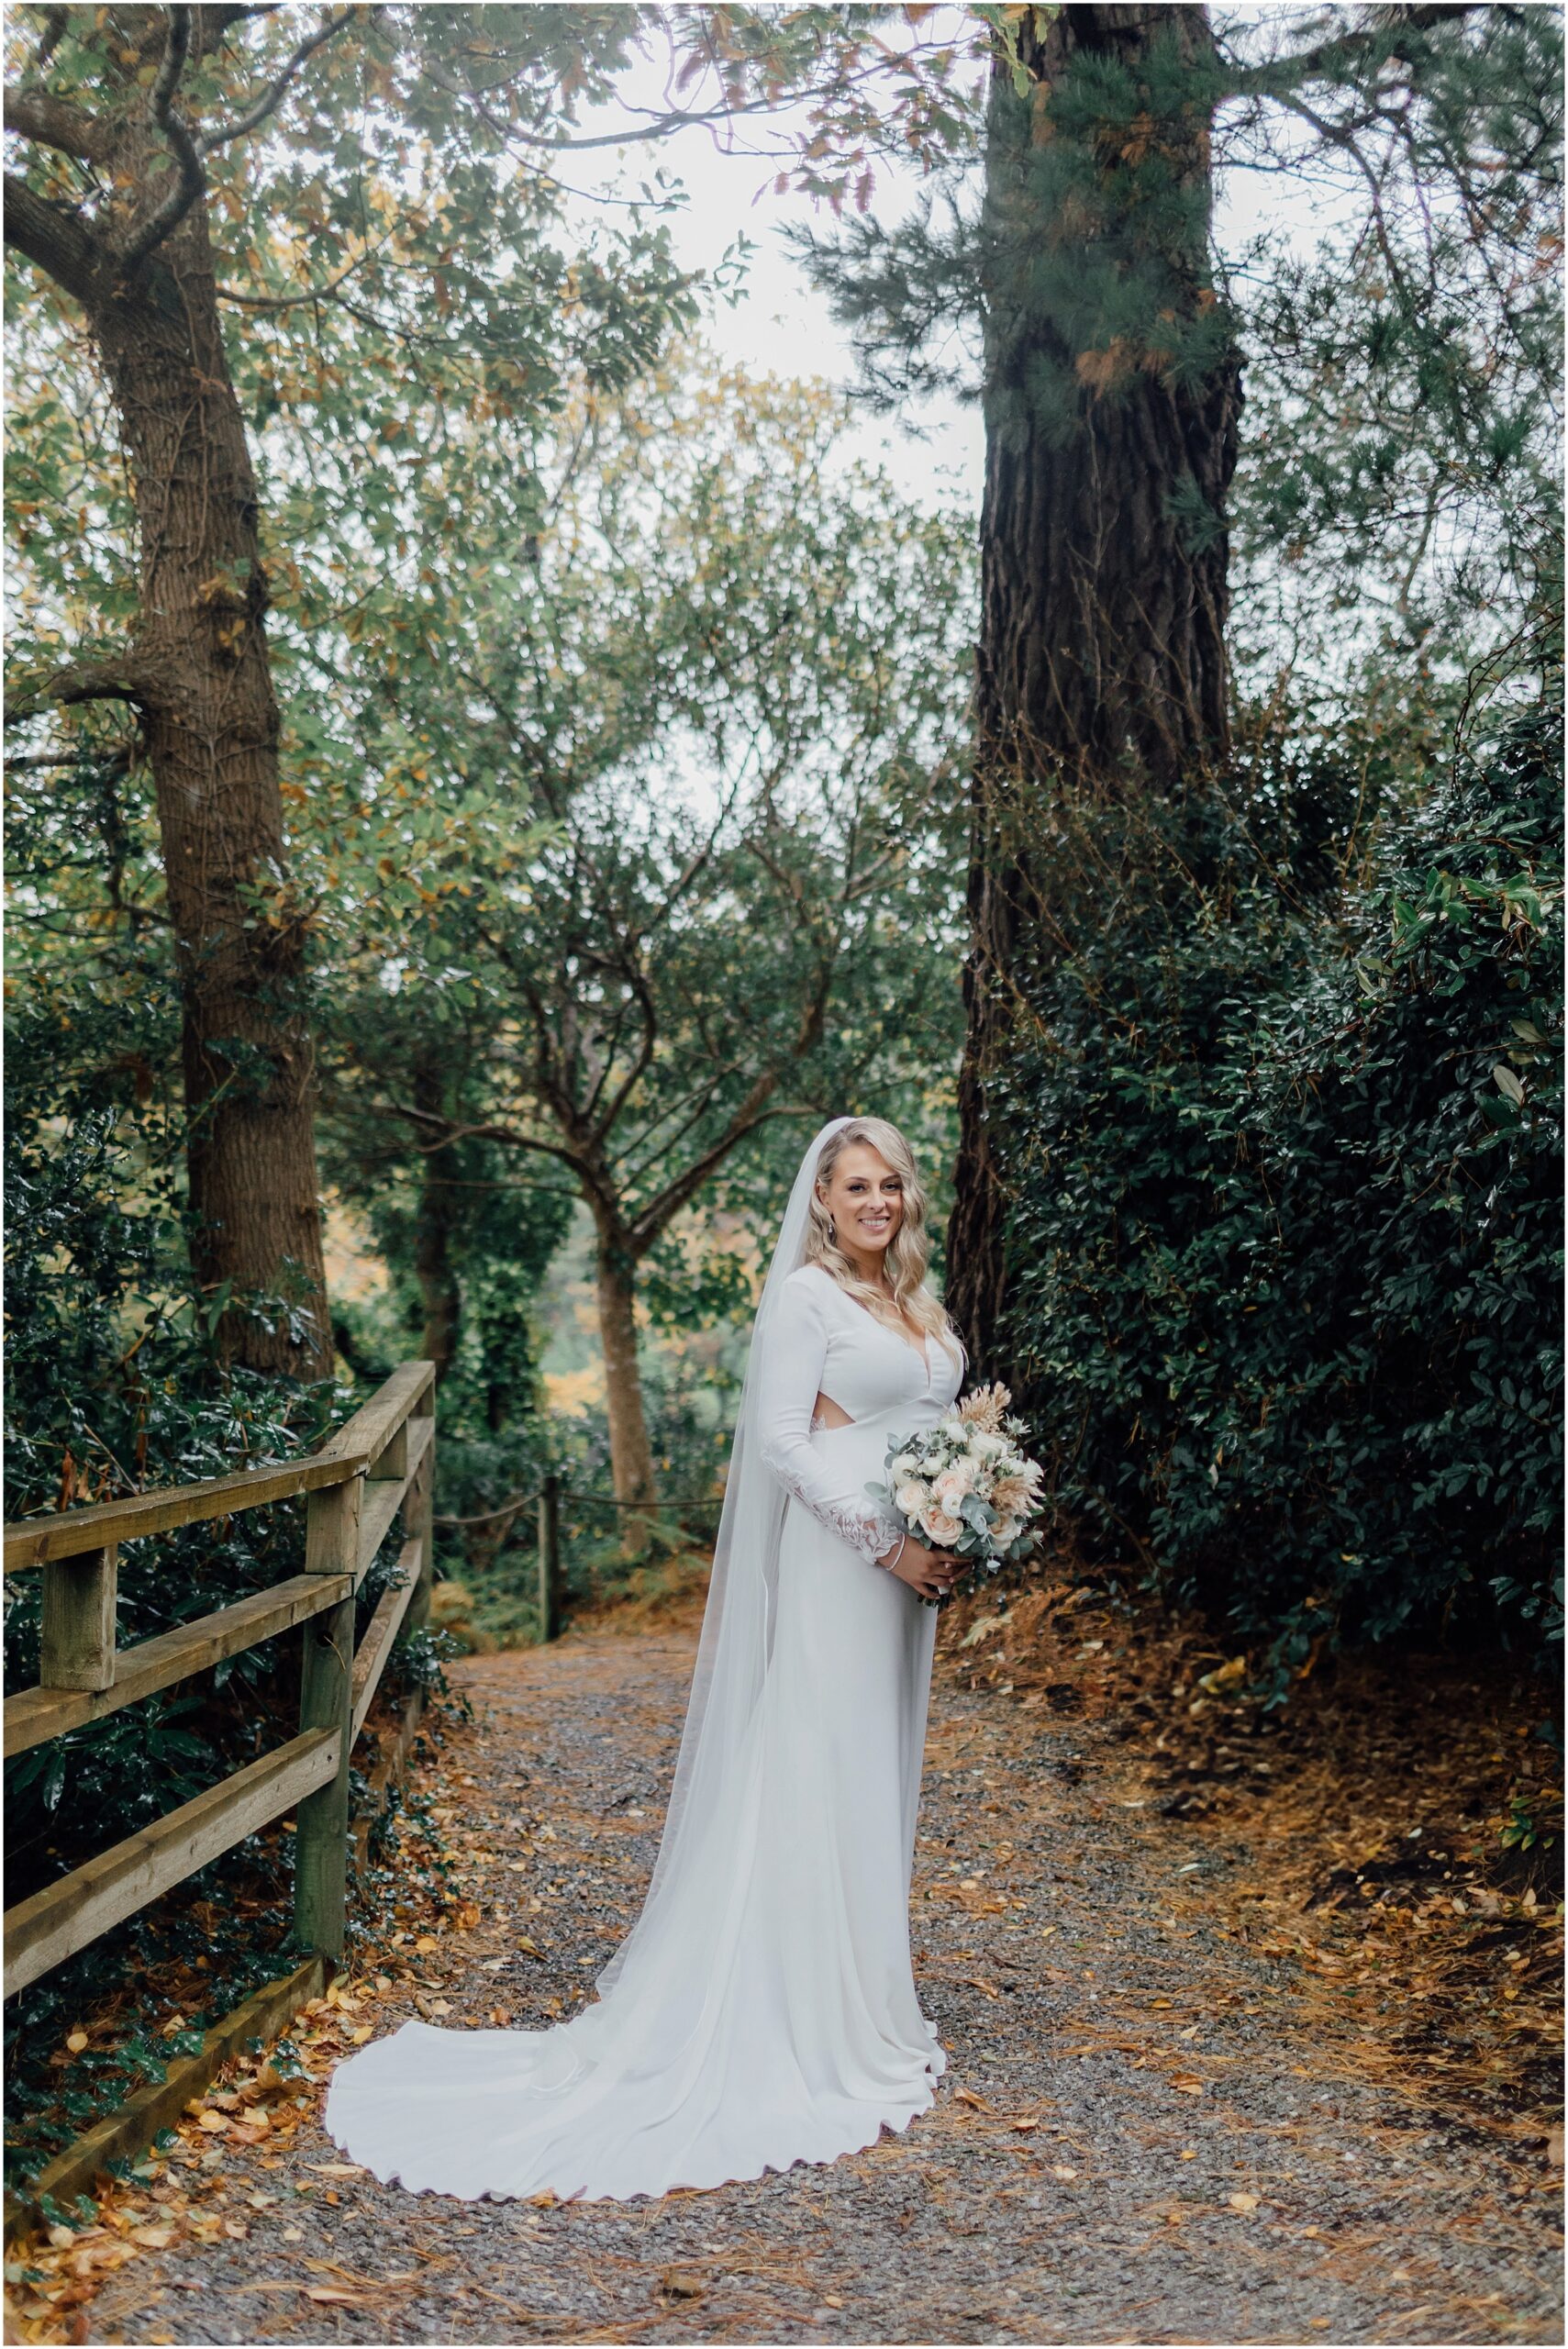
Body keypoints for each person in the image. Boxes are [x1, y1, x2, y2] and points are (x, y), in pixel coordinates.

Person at [324, 1114, 967, 2201]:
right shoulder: (808, 1299)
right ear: (821, 1200)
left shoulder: (916, 1302)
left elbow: (935, 1425)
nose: (875, 1201)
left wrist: (957, 1516)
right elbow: (778, 1441)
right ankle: (797, 2016)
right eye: (855, 1185)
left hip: (910, 1568)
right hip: (847, 1561)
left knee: (873, 1770)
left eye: (889, 1184)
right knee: (817, 1760)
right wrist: (884, 1541)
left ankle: (864, 1995)